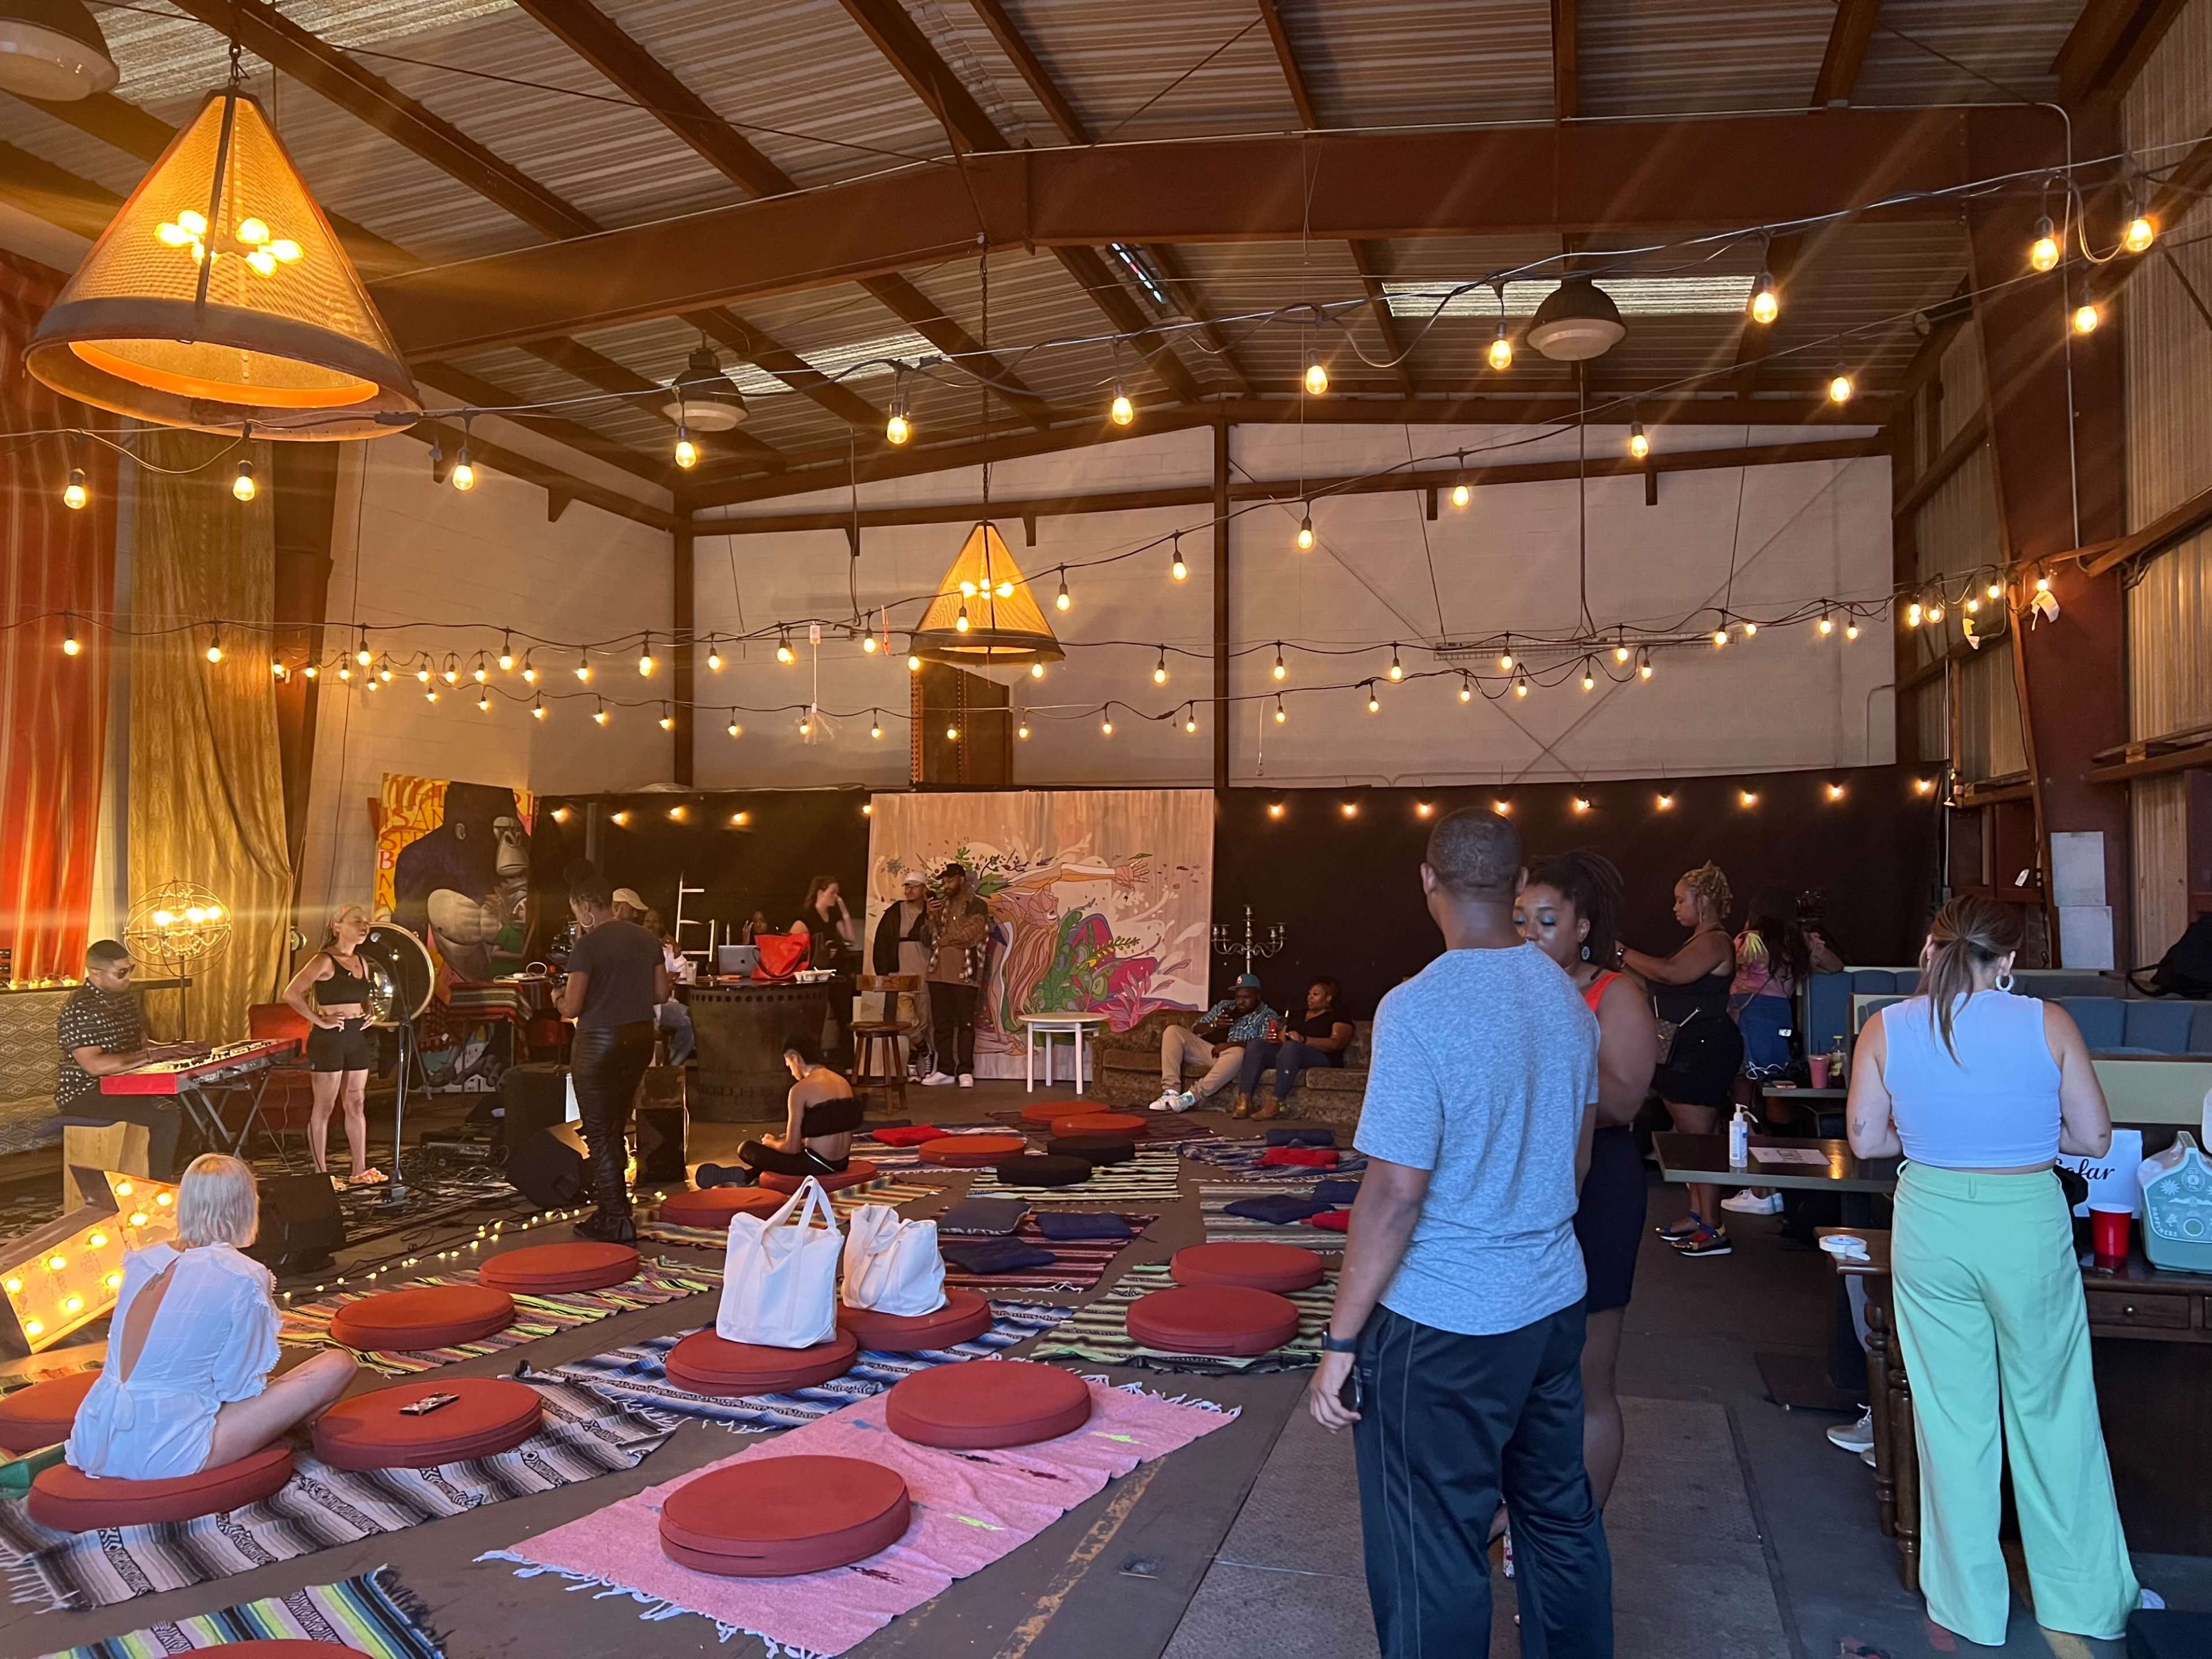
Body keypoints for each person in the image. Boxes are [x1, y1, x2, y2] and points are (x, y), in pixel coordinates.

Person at [1308, 808, 1610, 1659]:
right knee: (1558, 1521)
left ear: (1429, 882)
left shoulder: (1415, 1009)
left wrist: (1340, 1341)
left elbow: (1396, 1193)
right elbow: (1576, 1164)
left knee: (1430, 1548)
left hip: (1445, 1325)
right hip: (1552, 1304)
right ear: (1518, 888)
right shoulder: (1565, 996)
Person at [1846, 897, 2146, 1649]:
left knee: (1952, 1417)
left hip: (1931, 1219)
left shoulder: (1887, 1027)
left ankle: (1966, 1607)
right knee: (2053, 1409)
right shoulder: (2048, 1023)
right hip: (2026, 1220)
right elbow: (2093, 1133)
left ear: (1933, 948)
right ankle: (2082, 1602)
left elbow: (1865, 1138)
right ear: (2008, 960)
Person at [1514, 850, 1658, 1517]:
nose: (1530, 935)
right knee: (1513, 1367)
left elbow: (1627, 1098)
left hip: (1599, 1184)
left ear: (1582, 928)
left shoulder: (1617, 992)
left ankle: (1577, 1524)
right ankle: (1513, 1511)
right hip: (1520, 1184)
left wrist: (1534, 1097)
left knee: (1585, 1374)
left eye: (1546, 921)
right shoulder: (1510, 987)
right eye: (1520, 920)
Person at [66, 1154, 357, 1480]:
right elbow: (239, 1388)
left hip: (94, 1435)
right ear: (248, 1204)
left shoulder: (141, 1261)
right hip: (165, 1449)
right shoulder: (242, 1274)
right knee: (337, 1364)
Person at [1623, 861, 1742, 1258]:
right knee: (1687, 1137)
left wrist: (1622, 951)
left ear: (1703, 901)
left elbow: (1671, 974)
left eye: (1680, 900)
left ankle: (1713, 1226)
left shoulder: (1715, 942)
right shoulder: (1697, 941)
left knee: (1698, 1140)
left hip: (1703, 1047)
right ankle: (1698, 1214)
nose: (1675, 908)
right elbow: (1661, 984)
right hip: (1684, 1046)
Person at [555, 861, 670, 1242]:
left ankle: (616, 1217)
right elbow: (660, 994)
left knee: (600, 1131)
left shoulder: (587, 946)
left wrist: (555, 996)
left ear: (586, 906)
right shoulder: (647, 940)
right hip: (639, 1038)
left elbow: (572, 1007)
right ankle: (617, 1205)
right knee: (618, 1123)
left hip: (599, 1042)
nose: (579, 919)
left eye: (577, 912)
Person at [54, 940, 201, 1180]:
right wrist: (153, 1055)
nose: (128, 978)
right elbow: (95, 1066)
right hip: (87, 1092)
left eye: (129, 970)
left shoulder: (124, 1000)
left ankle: (185, 1177)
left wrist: (177, 1049)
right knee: (166, 1113)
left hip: (127, 1085)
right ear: (96, 973)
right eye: (121, 973)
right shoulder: (79, 1008)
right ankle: (159, 1188)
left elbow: (142, 1046)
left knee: (194, 1099)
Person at [1719, 889, 1813, 1221]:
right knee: (1776, 1096)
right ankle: (1782, 1186)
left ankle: (1758, 1188)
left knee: (1743, 1103)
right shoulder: (1797, 944)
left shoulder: (1748, 941)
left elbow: (1728, 969)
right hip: (1781, 1021)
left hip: (1749, 1020)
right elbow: (1836, 965)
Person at [281, 904, 385, 1190]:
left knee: (356, 1102)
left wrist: (369, 1013)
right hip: (330, 1039)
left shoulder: (363, 962)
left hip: (355, 1036)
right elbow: (292, 993)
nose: (364, 926)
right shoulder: (325, 960)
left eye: (366, 922)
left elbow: (363, 997)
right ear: (337, 926)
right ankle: (321, 1173)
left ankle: (359, 1168)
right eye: (356, 921)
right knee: (325, 1107)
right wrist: (319, 1020)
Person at [713, 1033, 863, 1184]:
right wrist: (798, 1136)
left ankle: (747, 1175)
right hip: (841, 1164)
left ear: (795, 1058)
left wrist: (771, 1143)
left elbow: (792, 1148)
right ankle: (748, 1175)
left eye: (789, 1065)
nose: (791, 1072)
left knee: (746, 1148)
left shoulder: (800, 1090)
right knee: (781, 1146)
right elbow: (831, 1123)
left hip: (815, 1166)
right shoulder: (843, 1082)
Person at [1231, 976, 1354, 1120]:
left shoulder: (1338, 1016)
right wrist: (1275, 1039)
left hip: (1321, 1057)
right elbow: (1283, 1038)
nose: (1310, 998)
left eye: (1316, 994)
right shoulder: (1299, 1014)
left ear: (1329, 998)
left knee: (1292, 1047)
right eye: (1309, 994)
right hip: (1290, 1054)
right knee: (1257, 1045)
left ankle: (1275, 1103)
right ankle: (1244, 1100)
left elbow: (1336, 1043)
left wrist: (1305, 1040)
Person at [1153, 974, 1277, 1113]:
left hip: (1235, 1057)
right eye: (1238, 997)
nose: (1241, 1002)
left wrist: (1229, 1046)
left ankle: (1190, 1097)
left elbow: (1262, 1046)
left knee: (1238, 1053)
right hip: (1210, 1052)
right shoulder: (1224, 1006)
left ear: (1258, 996)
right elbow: (1195, 1029)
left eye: (1247, 997)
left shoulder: (1267, 1015)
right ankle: (1171, 1093)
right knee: (1173, 1031)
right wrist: (1214, 1025)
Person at [923, 864, 990, 1087]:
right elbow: (927, 939)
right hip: (937, 972)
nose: (946, 886)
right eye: (944, 882)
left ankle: (965, 1071)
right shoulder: (941, 907)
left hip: (965, 972)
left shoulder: (976, 904)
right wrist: (931, 917)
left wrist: (944, 940)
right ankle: (945, 1070)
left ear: (961, 879)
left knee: (965, 1024)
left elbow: (971, 935)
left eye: (950, 881)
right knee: (941, 1024)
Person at [871, 872, 935, 1077]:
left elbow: (937, 939)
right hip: (899, 972)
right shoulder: (895, 911)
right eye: (907, 886)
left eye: (914, 886)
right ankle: (926, 1051)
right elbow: (881, 941)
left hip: (925, 971)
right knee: (906, 1020)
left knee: (924, 1021)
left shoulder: (931, 910)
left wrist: (933, 918)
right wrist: (884, 972)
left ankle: (913, 1061)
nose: (909, 890)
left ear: (924, 889)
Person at [646, 912, 696, 1066]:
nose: (650, 925)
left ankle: (672, 1065)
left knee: (692, 1021)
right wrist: (661, 980)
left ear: (661, 926)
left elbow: (687, 975)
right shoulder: (636, 947)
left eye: (655, 922)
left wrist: (677, 952)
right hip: (646, 1003)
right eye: (647, 921)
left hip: (666, 1003)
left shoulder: (667, 950)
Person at [800, 876, 859, 972]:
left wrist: (845, 913)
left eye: (837, 894)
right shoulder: (807, 918)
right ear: (820, 893)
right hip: (812, 971)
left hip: (831, 969)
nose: (836, 897)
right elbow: (794, 948)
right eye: (832, 893)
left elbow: (851, 940)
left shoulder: (833, 917)